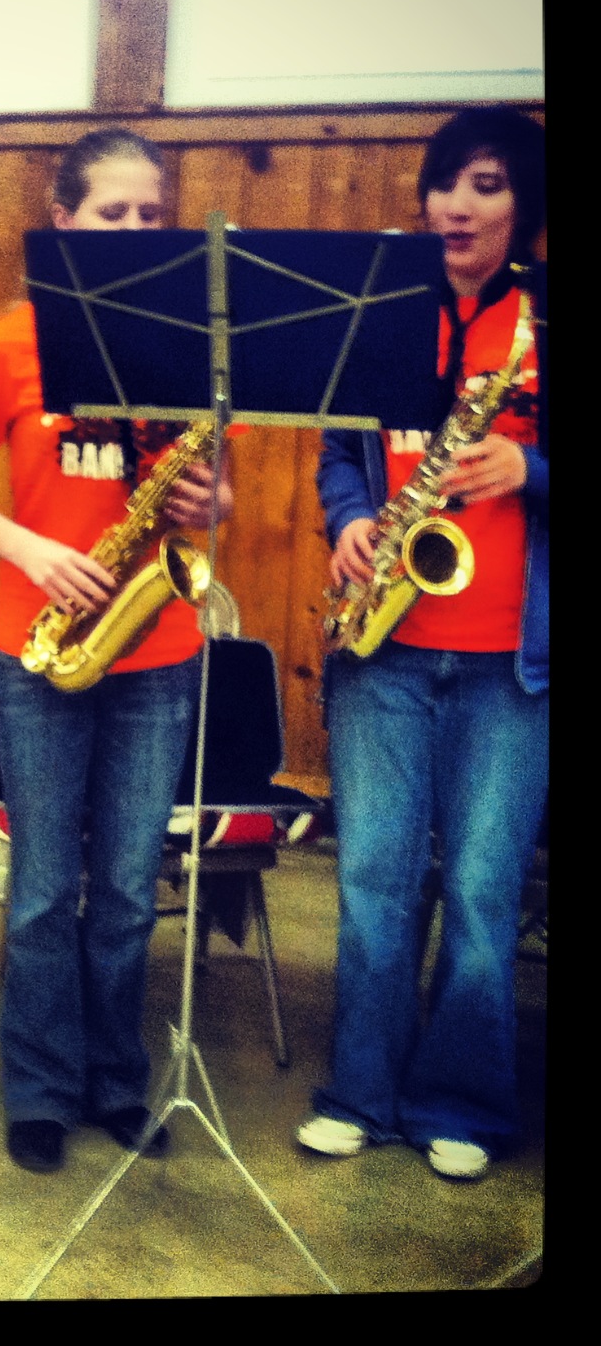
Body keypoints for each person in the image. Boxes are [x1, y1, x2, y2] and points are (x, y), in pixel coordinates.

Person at [0, 128, 234, 1173]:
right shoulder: (8, 342)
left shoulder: (188, 341)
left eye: (152, 214)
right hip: (42, 649)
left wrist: (212, 502)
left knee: (132, 891)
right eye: (114, 212)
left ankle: (116, 1082)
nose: (137, 229)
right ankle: (40, 1089)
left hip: (160, 648)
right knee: (46, 888)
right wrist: (34, 551)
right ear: (63, 223)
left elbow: (221, 495)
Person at [299, 107, 547, 1181]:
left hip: (510, 665)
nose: (457, 205)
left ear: (524, 207)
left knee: (484, 896)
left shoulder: (541, 321)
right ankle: (360, 1092)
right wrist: (351, 517)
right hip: (384, 647)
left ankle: (461, 1104)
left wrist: (530, 469)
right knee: (373, 882)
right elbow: (337, 452)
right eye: (446, 182)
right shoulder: (381, 310)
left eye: (487, 185)